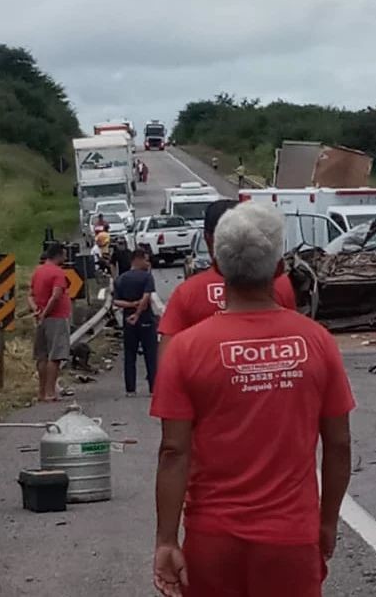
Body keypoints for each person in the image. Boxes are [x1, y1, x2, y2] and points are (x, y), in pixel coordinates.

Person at [151, 202, 354, 597]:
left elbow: (174, 451)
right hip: (292, 538)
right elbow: (339, 443)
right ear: (278, 268)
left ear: (219, 264)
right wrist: (327, 522)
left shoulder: (186, 349)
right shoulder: (317, 342)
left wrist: (166, 541)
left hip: (212, 539)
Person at [158, 199, 296, 357]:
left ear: (208, 238)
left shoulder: (187, 293)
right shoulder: (282, 285)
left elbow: (166, 358)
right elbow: (293, 336)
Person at [29, 243, 71, 402]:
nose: (66, 258)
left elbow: (30, 295)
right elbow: (56, 296)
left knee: (42, 355)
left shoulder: (38, 271)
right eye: (64, 255)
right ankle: (50, 392)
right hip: (56, 318)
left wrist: (37, 310)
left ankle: (41, 392)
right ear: (58, 255)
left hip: (41, 318)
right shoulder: (58, 272)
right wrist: (46, 312)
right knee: (55, 356)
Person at [114, 249, 158, 396]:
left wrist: (131, 306)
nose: (148, 263)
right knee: (150, 354)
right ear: (137, 260)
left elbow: (116, 301)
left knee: (129, 354)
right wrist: (138, 313)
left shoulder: (120, 279)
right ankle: (154, 387)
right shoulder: (147, 277)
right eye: (146, 260)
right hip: (145, 319)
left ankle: (130, 389)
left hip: (128, 320)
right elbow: (146, 298)